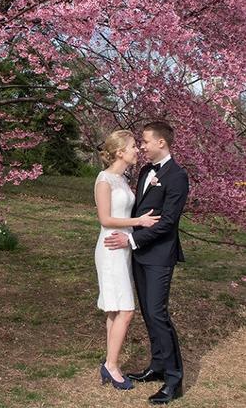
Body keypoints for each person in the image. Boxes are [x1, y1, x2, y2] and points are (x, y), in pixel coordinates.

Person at [104, 121, 189, 405]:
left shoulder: (177, 176)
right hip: (138, 255)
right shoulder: (143, 171)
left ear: (161, 143)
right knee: (148, 314)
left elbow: (167, 222)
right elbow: (139, 211)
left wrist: (131, 240)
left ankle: (174, 379)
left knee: (158, 314)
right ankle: (157, 366)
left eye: (146, 141)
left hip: (159, 256)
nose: (142, 146)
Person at [94, 130, 160, 391]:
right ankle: (111, 365)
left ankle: (109, 363)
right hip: (110, 247)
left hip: (123, 248)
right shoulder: (105, 180)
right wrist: (139, 221)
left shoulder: (122, 180)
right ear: (120, 152)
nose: (137, 150)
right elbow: (105, 219)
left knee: (114, 307)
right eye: (133, 146)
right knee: (126, 310)